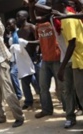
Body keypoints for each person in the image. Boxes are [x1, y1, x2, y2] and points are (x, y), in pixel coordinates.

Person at [52, 0, 83, 128]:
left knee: (81, 94)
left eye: (54, 4)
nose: (52, 7)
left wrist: (61, 68)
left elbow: (72, 44)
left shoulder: (68, 20)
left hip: (79, 59)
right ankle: (71, 117)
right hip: (77, 60)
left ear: (62, 5)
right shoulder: (67, 17)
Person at [16, 10, 41, 95]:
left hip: (34, 56)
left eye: (18, 16)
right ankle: (28, 101)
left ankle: (42, 98)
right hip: (25, 57)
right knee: (25, 79)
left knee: (38, 79)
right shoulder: (18, 31)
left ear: (24, 17)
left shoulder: (32, 27)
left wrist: (37, 53)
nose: (17, 18)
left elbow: (39, 41)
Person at [5, 18, 23, 101]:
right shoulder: (10, 34)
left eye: (10, 24)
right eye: (7, 25)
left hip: (21, 57)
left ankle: (19, 95)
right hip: (13, 58)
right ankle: (19, 95)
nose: (8, 26)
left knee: (14, 74)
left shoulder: (19, 32)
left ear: (15, 23)